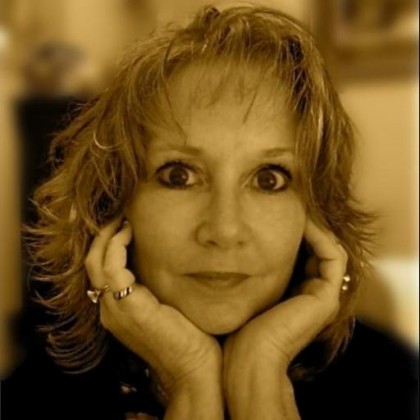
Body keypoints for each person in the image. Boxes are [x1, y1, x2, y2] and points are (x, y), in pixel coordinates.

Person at [2, 4, 417, 420]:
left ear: (317, 211)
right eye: (179, 176)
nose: (224, 229)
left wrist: (260, 375)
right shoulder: (30, 401)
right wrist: (190, 378)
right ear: (114, 200)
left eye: (269, 179)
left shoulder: (396, 386)